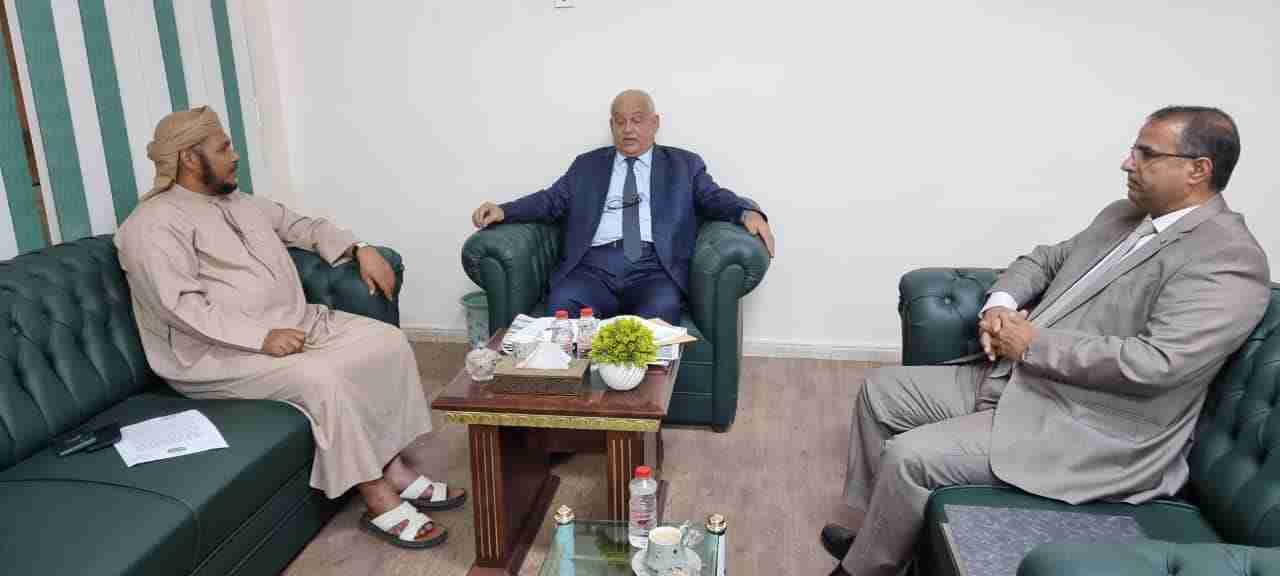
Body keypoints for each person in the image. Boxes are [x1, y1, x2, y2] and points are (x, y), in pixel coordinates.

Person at [821, 106, 1269, 576]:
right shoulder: (1124, 215)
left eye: (1146, 153)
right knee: (881, 394)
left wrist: (1031, 344)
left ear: (1198, 170)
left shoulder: (1228, 258)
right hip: (1020, 380)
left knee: (909, 457)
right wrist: (1000, 305)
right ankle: (884, 534)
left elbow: (1158, 362)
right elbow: (1045, 260)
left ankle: (863, 570)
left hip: (1088, 425)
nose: (1127, 162)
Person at [115, 106, 465, 550]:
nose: (235, 155)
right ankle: (377, 496)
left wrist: (360, 248)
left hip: (297, 325)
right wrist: (260, 338)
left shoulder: (241, 203)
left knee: (387, 341)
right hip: (216, 353)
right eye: (223, 148)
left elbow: (303, 227)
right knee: (323, 377)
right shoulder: (151, 225)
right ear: (188, 157)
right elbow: (180, 307)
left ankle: (394, 466)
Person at [470, 89, 775, 325]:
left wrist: (745, 211)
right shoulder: (587, 165)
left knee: (662, 309)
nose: (628, 129)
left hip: (653, 269)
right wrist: (505, 211)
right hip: (592, 268)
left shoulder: (684, 165)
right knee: (562, 304)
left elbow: (714, 197)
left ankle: (642, 389)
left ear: (655, 123)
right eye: (620, 121)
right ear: (612, 125)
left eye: (637, 120)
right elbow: (550, 200)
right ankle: (575, 387)